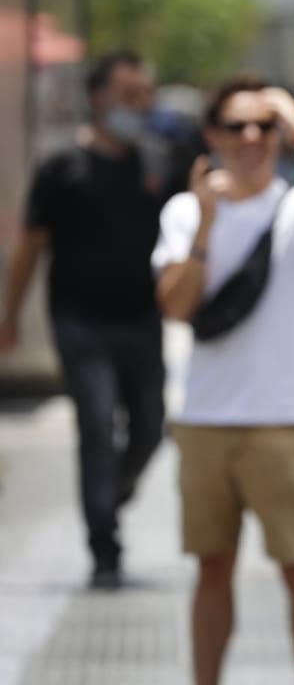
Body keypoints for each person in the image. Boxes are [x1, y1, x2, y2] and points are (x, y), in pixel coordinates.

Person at [151, 75, 294, 685]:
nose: (252, 137)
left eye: (264, 125)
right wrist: (204, 223)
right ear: (212, 136)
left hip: (281, 421)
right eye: (237, 126)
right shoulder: (183, 210)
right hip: (204, 421)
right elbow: (175, 307)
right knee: (211, 570)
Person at [0, 50, 168, 589]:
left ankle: (109, 494)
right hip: (79, 323)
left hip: (142, 319)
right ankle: (104, 548)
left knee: (148, 426)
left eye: (144, 95)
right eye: (126, 94)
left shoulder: (155, 164)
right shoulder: (61, 167)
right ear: (98, 97)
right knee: (95, 426)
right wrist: (9, 315)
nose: (137, 106)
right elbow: (29, 246)